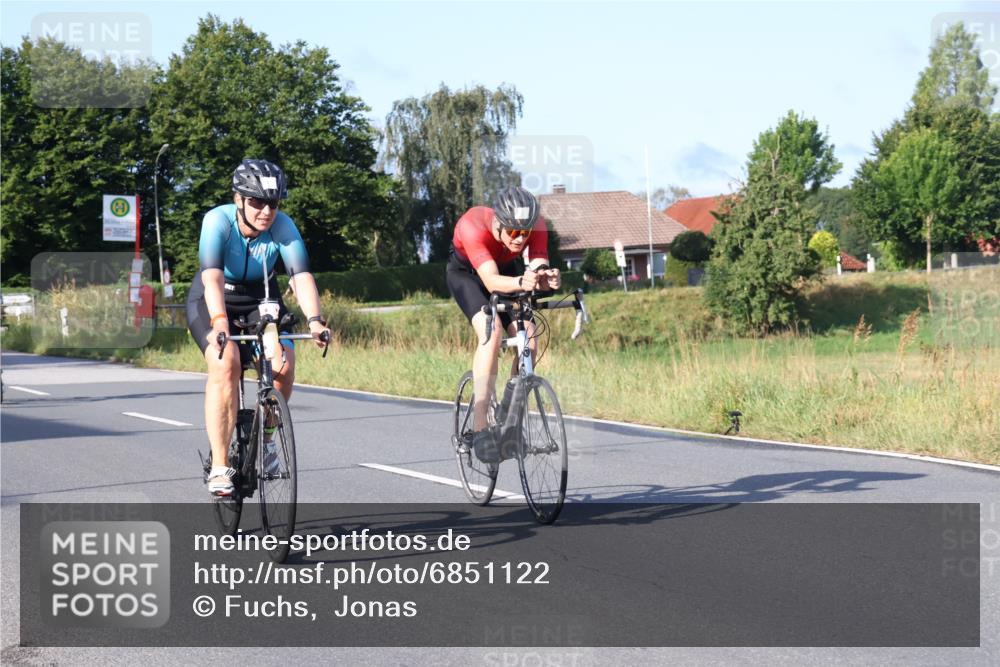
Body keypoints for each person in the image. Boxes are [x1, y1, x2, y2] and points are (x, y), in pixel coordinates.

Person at [187, 159, 330, 495]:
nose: (266, 211)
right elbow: (213, 277)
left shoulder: (283, 226)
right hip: (215, 296)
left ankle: (265, 440)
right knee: (226, 363)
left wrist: (314, 321)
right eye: (257, 202)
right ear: (239, 199)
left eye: (274, 203)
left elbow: (300, 276)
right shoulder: (217, 221)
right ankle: (221, 465)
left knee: (282, 365)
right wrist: (220, 321)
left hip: (262, 298)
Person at [446, 186, 561, 461]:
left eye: (526, 232)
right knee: (492, 331)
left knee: (529, 338)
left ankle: (510, 416)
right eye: (513, 232)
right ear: (498, 223)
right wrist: (523, 281)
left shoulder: (537, 225)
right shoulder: (473, 225)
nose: (520, 239)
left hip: (507, 272)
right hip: (469, 275)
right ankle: (480, 427)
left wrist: (547, 279)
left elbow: (537, 267)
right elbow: (491, 282)